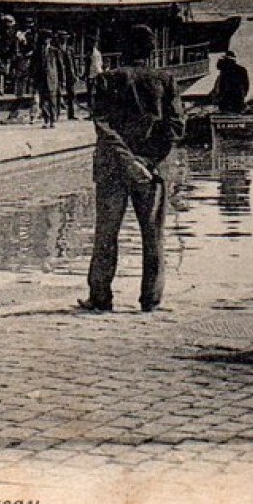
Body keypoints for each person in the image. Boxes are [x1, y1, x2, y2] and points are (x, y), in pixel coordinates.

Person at [80, 24, 184, 314]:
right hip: (152, 172)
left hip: (113, 168)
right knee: (153, 235)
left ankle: (100, 297)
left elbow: (103, 126)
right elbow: (176, 127)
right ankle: (150, 299)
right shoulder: (166, 80)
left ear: (123, 50)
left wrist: (128, 160)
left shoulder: (107, 80)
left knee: (106, 234)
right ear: (151, 51)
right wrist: (147, 162)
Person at [53, 29, 79, 119]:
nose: (64, 39)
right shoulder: (55, 49)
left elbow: (73, 62)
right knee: (57, 94)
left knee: (71, 94)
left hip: (69, 74)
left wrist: (75, 73)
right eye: (62, 38)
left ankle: (71, 114)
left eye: (65, 38)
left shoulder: (70, 49)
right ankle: (56, 114)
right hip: (59, 73)